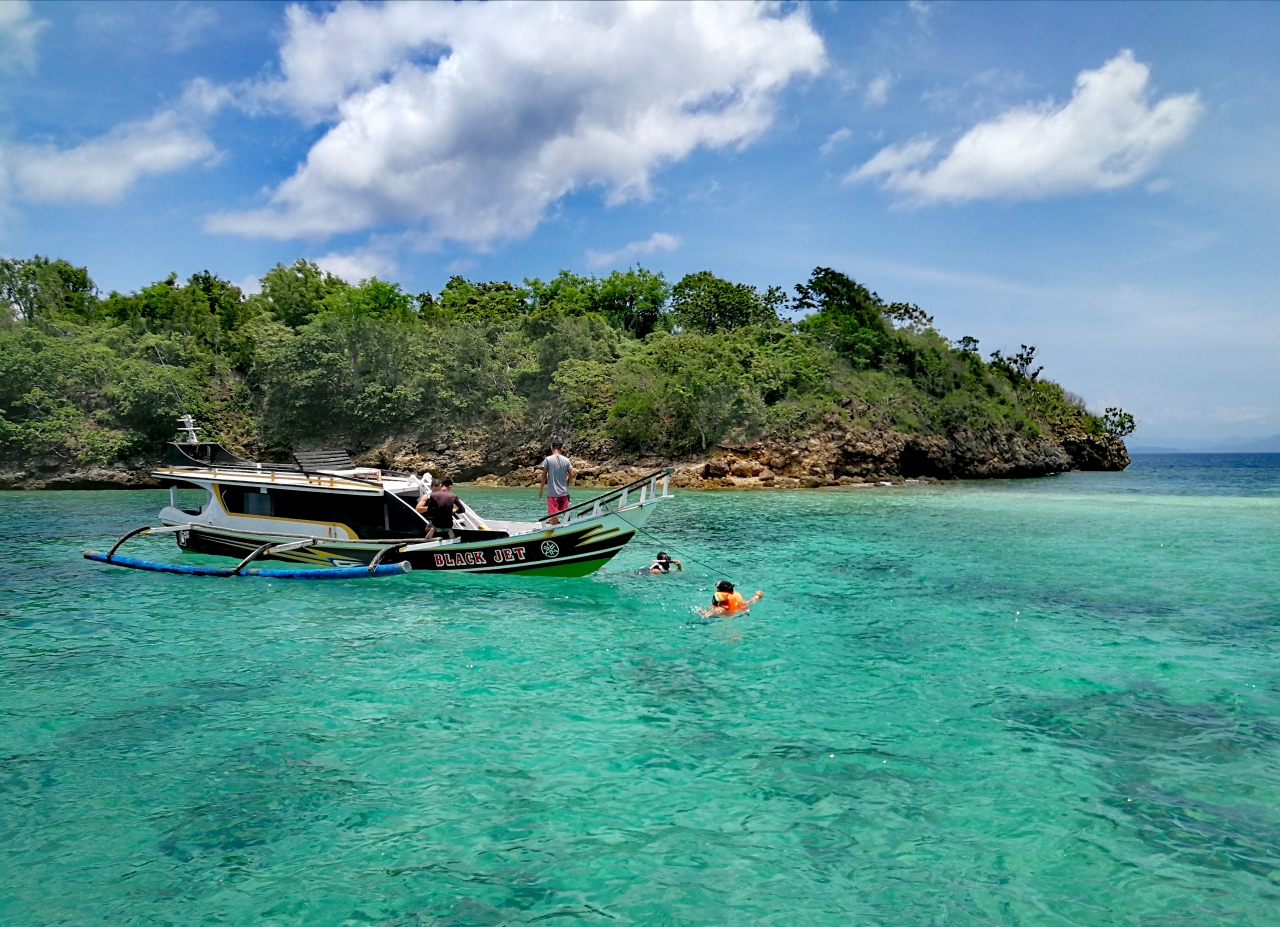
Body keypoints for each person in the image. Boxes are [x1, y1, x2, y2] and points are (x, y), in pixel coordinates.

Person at [537, 440, 576, 525]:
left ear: (551, 448)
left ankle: (555, 530)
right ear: (561, 449)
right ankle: (569, 529)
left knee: (554, 514)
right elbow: (572, 474)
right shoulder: (566, 460)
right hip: (564, 492)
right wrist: (567, 484)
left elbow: (544, 476)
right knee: (566, 512)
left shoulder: (548, 459)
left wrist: (541, 490)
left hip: (552, 493)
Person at [699, 580, 763, 618]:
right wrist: (758, 595)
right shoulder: (741, 604)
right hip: (742, 614)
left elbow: (707, 615)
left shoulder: (721, 609)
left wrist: (704, 612)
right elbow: (753, 599)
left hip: (727, 618)